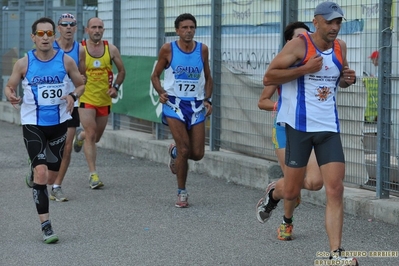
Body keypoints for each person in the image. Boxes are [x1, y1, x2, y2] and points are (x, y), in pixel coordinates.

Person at [263, 2, 358, 264]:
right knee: (292, 192)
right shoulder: (299, 45)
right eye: (330, 22)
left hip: (328, 128)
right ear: (316, 22)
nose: (335, 27)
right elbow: (269, 77)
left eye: (338, 22)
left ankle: (336, 253)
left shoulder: (341, 47)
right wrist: (304, 69)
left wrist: (347, 80)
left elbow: (338, 79)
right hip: (298, 128)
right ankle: (275, 192)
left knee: (335, 190)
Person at [4, 17, 85, 243]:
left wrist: (72, 95)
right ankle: (47, 226)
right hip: (33, 123)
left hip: (59, 124)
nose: (46, 37)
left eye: (49, 33)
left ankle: (34, 172)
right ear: (33, 37)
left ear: (53, 36)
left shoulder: (66, 61)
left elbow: (81, 84)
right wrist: (9, 93)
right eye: (41, 34)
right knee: (41, 173)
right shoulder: (23, 63)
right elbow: (10, 85)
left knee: (49, 178)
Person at [256, 22, 324, 241]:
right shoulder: (282, 67)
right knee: (293, 188)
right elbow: (263, 101)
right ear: (289, 43)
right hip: (285, 129)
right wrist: (282, 107)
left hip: (309, 127)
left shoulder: (317, 64)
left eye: (308, 37)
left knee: (314, 182)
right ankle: (287, 222)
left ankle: (276, 189)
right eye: (299, 38)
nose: (305, 42)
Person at [151, 13, 213, 208]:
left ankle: (175, 152)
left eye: (192, 27)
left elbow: (209, 77)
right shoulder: (168, 49)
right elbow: (155, 75)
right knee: (186, 149)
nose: (188, 31)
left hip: (196, 105)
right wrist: (161, 92)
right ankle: (182, 192)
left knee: (197, 153)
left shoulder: (202, 49)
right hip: (174, 104)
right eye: (184, 28)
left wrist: (208, 100)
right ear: (177, 30)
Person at [73, 17, 125, 189]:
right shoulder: (80, 49)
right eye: (93, 27)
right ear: (87, 30)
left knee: (96, 137)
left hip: (104, 99)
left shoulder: (111, 49)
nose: (97, 30)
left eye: (100, 27)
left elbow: (122, 70)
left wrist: (115, 87)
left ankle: (80, 136)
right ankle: (93, 175)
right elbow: (70, 70)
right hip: (86, 98)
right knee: (92, 132)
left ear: (103, 30)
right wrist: (78, 80)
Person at [47, 13, 86, 201]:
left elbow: (82, 76)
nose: (69, 27)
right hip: (48, 104)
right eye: (65, 24)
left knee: (67, 147)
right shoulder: (48, 46)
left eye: (72, 24)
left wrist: (79, 84)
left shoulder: (80, 50)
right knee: (47, 144)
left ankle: (56, 186)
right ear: (58, 27)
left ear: (76, 27)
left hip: (70, 104)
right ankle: (36, 164)